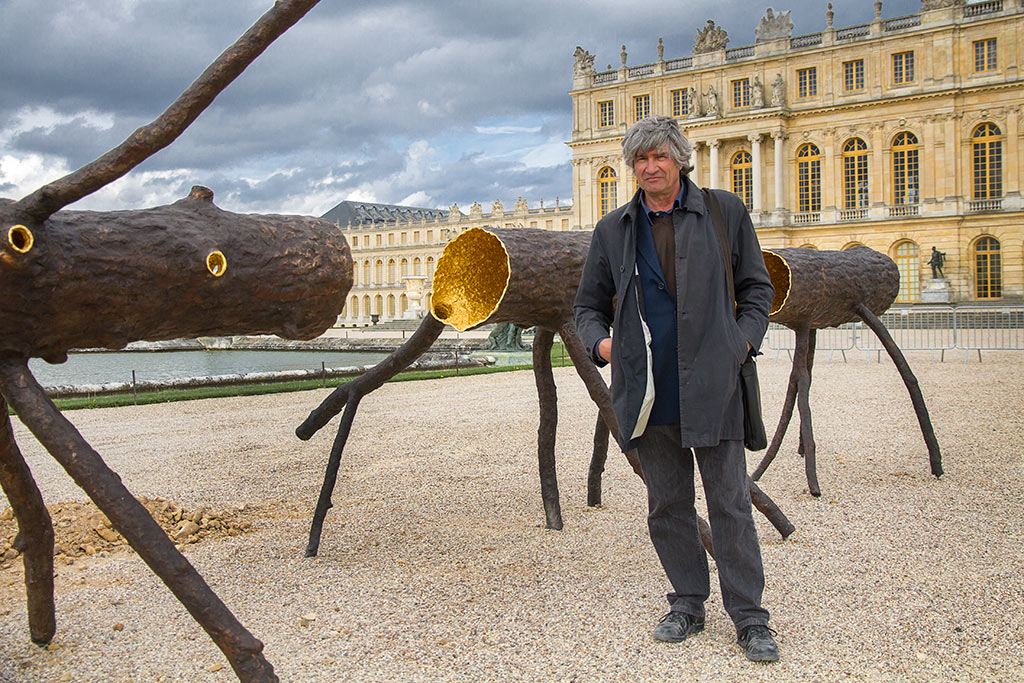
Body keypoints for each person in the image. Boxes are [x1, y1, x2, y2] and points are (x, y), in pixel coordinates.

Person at [573, 116, 778, 662]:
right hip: (647, 390)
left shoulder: (723, 212)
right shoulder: (614, 228)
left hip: (715, 381)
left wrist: (744, 342)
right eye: (640, 159)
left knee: (730, 503)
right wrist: (602, 347)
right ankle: (687, 602)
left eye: (659, 156)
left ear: (680, 159)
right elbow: (587, 308)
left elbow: (757, 288)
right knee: (667, 504)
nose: (650, 167)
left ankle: (750, 618)